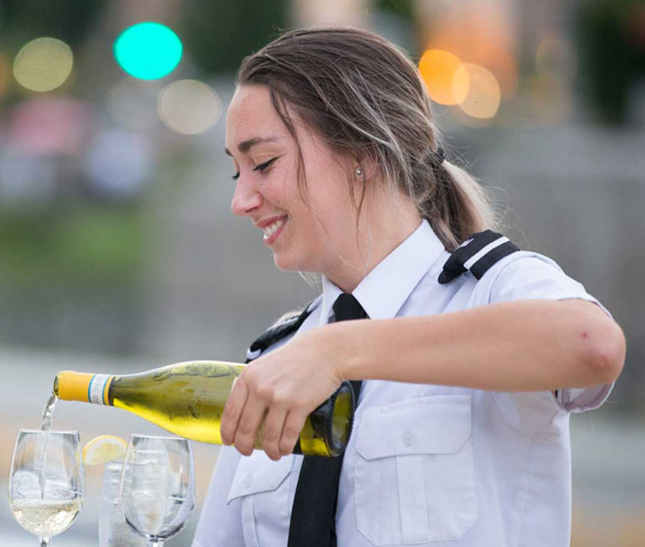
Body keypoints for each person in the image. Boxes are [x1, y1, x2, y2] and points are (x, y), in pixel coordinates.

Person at [192, 27, 626, 547]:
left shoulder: (492, 289)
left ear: (364, 152)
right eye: (235, 173)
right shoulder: (278, 360)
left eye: (263, 163)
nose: (242, 200)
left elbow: (592, 346)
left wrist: (338, 351)